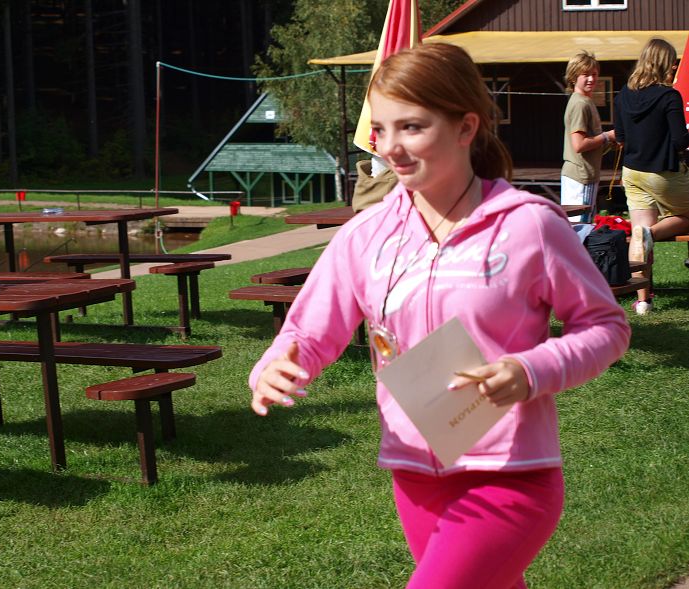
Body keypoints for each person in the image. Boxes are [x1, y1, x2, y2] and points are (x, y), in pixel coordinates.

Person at [249, 42, 630, 588]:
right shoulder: (365, 236)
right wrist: (276, 366)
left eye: (412, 127)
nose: (391, 148)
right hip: (414, 473)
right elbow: (307, 332)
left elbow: (606, 327)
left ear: (465, 127)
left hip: (509, 475)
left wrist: (530, 370)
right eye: (381, 129)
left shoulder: (529, 226)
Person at [614, 37, 689, 315]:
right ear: (663, 63)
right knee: (654, 230)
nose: (674, 67)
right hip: (662, 173)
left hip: (633, 173)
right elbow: (680, 141)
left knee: (638, 233)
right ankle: (652, 233)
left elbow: (620, 136)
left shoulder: (623, 94)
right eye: (672, 62)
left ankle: (643, 302)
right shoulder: (669, 96)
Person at [560, 50, 617, 223]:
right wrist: (607, 136)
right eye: (585, 75)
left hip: (583, 174)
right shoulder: (580, 103)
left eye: (594, 74)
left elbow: (590, 144)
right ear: (573, 77)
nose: (591, 79)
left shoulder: (584, 101)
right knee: (580, 228)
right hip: (581, 176)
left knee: (582, 226)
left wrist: (611, 142)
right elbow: (579, 145)